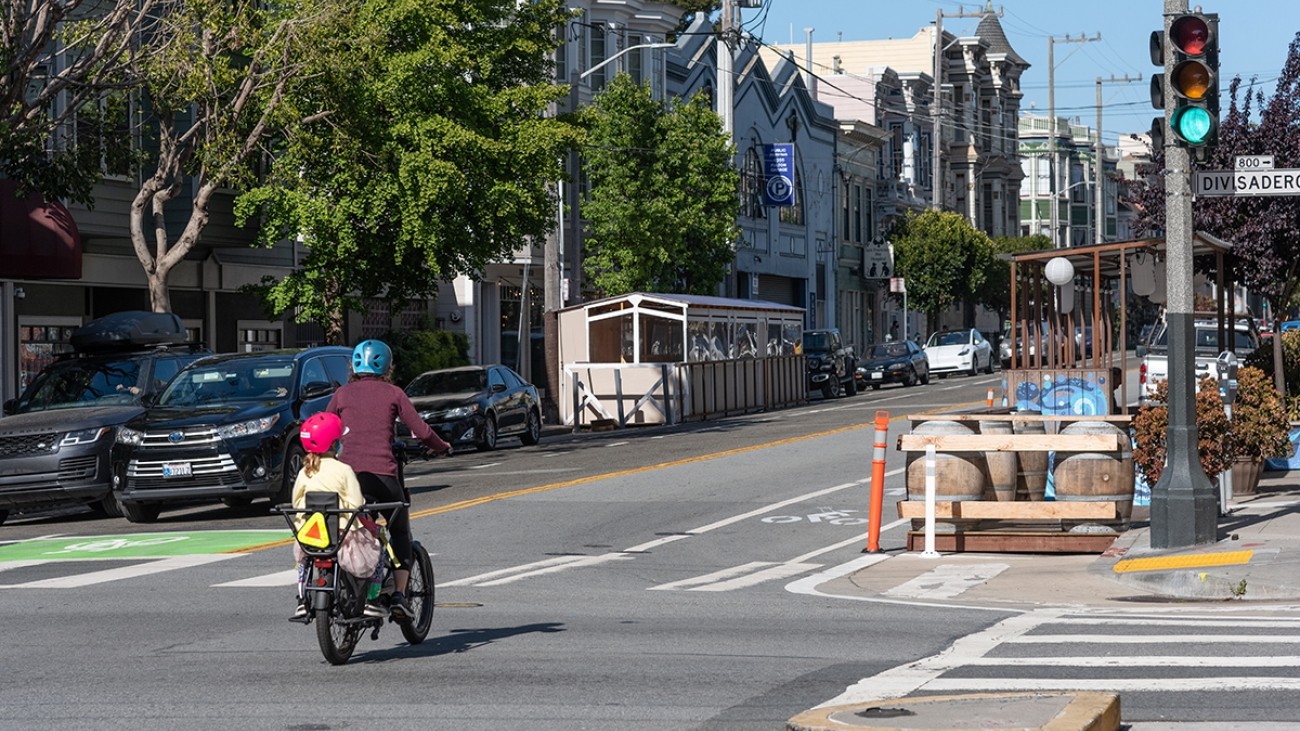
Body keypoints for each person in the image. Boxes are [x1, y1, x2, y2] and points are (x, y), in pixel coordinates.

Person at [326, 339, 450, 621]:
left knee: (346, 528)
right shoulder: (394, 393)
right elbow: (420, 430)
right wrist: (442, 446)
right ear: (387, 366)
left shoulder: (342, 394)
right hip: (383, 476)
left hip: (347, 479)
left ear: (354, 366)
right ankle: (398, 595)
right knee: (400, 532)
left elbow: (325, 425)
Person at [288, 412, 378, 622]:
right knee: (379, 548)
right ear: (334, 444)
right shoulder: (343, 469)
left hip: (311, 536)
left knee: (304, 561)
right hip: (343, 535)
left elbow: (295, 501)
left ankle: (302, 598)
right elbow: (356, 503)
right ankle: (372, 600)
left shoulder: (305, 471)